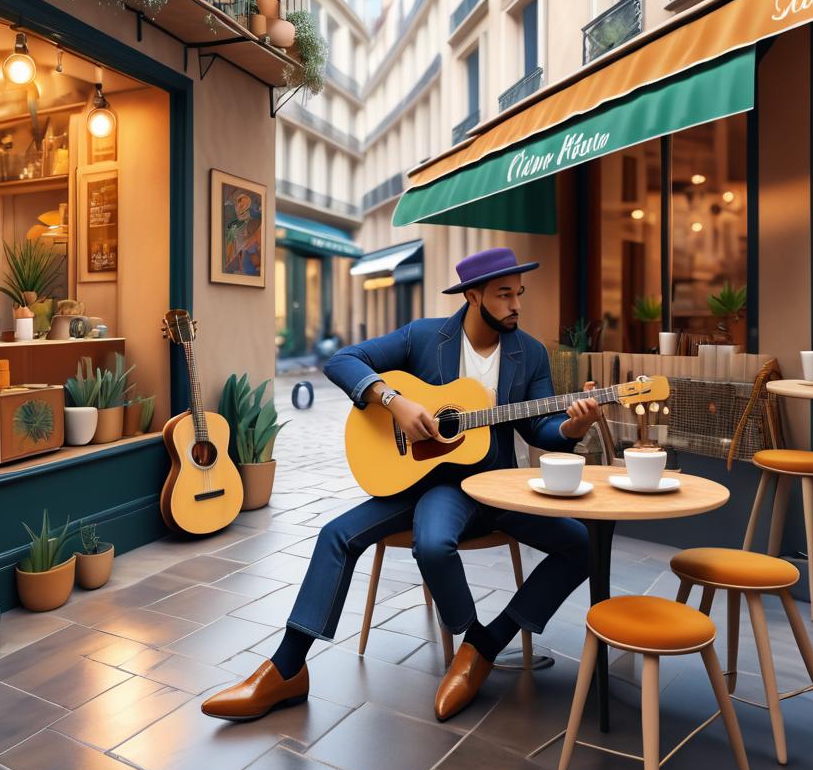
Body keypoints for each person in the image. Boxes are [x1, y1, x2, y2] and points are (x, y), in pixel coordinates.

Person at [202, 247, 599, 724]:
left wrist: (572, 430)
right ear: (473, 296)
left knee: (580, 542)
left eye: (519, 294)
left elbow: (540, 430)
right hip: (435, 485)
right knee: (351, 535)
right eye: (504, 295)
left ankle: (483, 645)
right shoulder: (426, 337)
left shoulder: (529, 353)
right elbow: (344, 361)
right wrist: (392, 400)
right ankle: (286, 668)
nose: (517, 305)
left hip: (498, 485)